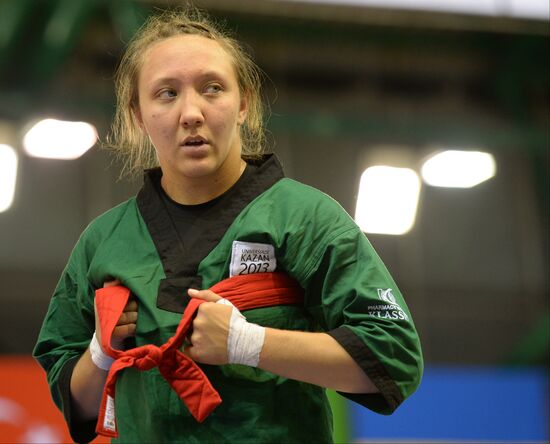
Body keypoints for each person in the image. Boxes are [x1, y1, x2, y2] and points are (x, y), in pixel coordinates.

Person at [33, 7, 423, 443]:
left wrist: (249, 344)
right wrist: (100, 354)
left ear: (244, 103)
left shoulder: (306, 219)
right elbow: (77, 403)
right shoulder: (103, 243)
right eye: (166, 93)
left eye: (212, 88)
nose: (191, 113)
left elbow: (393, 360)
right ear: (138, 116)